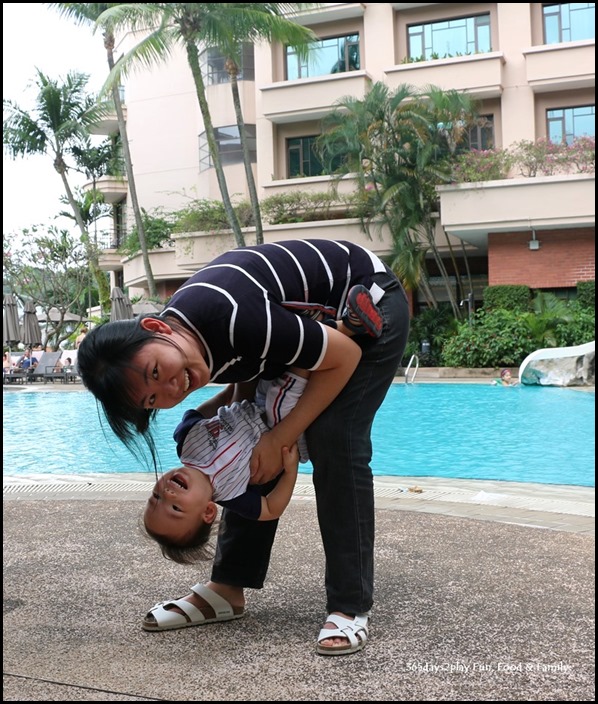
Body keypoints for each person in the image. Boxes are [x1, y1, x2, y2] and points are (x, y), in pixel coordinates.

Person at [77, 239, 410, 656]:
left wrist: (281, 437)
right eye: (151, 400)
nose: (171, 390)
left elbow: (341, 356)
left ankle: (349, 604)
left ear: (157, 327)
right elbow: (250, 368)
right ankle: (226, 591)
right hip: (311, 322)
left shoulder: (230, 317)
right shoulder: (191, 339)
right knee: (249, 444)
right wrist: (252, 432)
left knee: (335, 440)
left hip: (367, 301)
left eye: (158, 371)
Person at [145, 296, 382, 562]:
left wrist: (231, 389)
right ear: (208, 512)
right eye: (176, 507)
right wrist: (291, 470)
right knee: (283, 397)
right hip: (280, 425)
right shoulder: (232, 494)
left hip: (252, 405)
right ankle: (344, 327)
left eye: (156, 496)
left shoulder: (185, 442)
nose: (167, 493)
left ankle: (306, 328)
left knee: (263, 369)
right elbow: (271, 508)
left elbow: (204, 410)